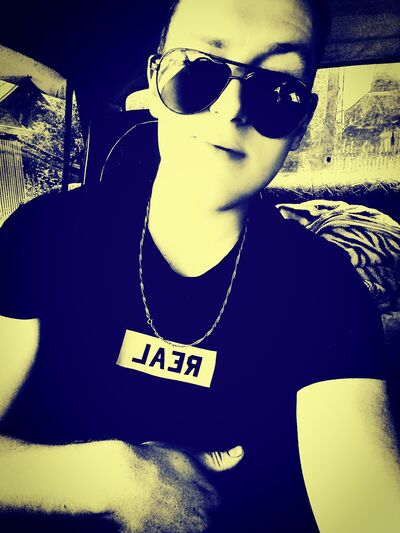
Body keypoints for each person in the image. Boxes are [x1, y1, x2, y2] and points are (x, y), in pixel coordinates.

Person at [1, 0, 400, 531]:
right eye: (197, 69)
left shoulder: (325, 290)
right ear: (155, 82)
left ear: (302, 118)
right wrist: (113, 478)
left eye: (277, 87)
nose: (232, 107)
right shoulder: (46, 234)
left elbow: (366, 507)